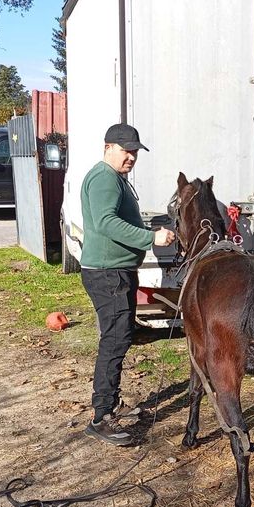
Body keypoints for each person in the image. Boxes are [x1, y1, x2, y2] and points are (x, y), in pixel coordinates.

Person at [80, 123, 175, 446]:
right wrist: (150, 238)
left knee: (120, 338)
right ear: (108, 147)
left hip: (116, 271)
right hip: (108, 273)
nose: (131, 157)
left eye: (135, 152)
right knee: (115, 340)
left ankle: (110, 404)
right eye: (126, 150)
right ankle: (101, 417)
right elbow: (106, 222)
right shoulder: (104, 178)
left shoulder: (114, 178)